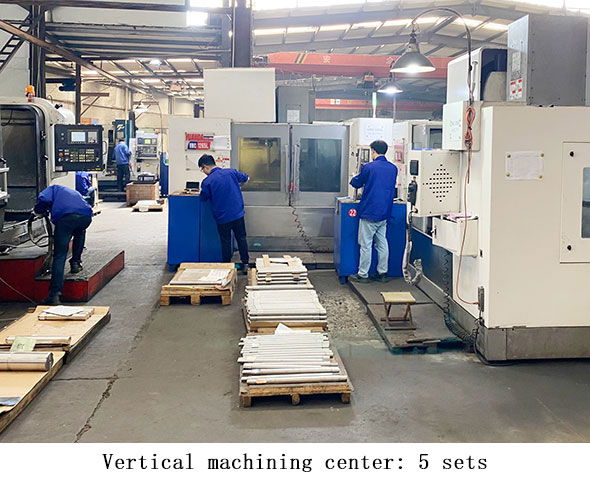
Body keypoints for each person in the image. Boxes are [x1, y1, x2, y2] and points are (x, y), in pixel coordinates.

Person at [34, 184, 93, 305]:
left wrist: (37, 210)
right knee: (80, 231)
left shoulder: (51, 189)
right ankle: (75, 263)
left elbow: (43, 200)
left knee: (60, 255)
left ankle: (54, 295)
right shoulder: (72, 192)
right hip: (86, 216)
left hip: (66, 218)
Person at [349, 140, 398, 283]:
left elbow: (357, 183)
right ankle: (382, 273)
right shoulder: (393, 168)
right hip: (384, 212)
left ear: (373, 151)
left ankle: (363, 274)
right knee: (382, 243)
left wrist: (354, 177)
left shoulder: (369, 167)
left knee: (366, 245)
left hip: (369, 211)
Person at [198, 154, 250, 273]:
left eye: (202, 169)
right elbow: (246, 178)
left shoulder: (207, 181)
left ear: (206, 167)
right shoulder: (231, 172)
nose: (204, 172)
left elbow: (203, 198)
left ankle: (227, 267)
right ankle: (245, 263)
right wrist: (240, 187)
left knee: (225, 242)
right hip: (237, 214)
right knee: (241, 238)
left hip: (222, 217)